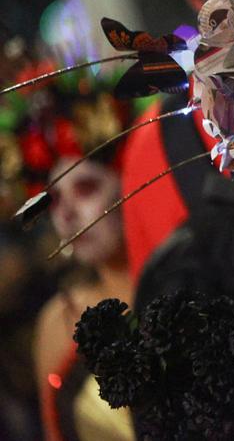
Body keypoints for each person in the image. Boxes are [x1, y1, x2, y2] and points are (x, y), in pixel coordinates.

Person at [26, 81, 137, 441]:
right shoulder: (59, 320)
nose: (67, 214)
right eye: (54, 199)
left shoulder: (187, 280)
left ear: (128, 183)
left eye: (86, 188)